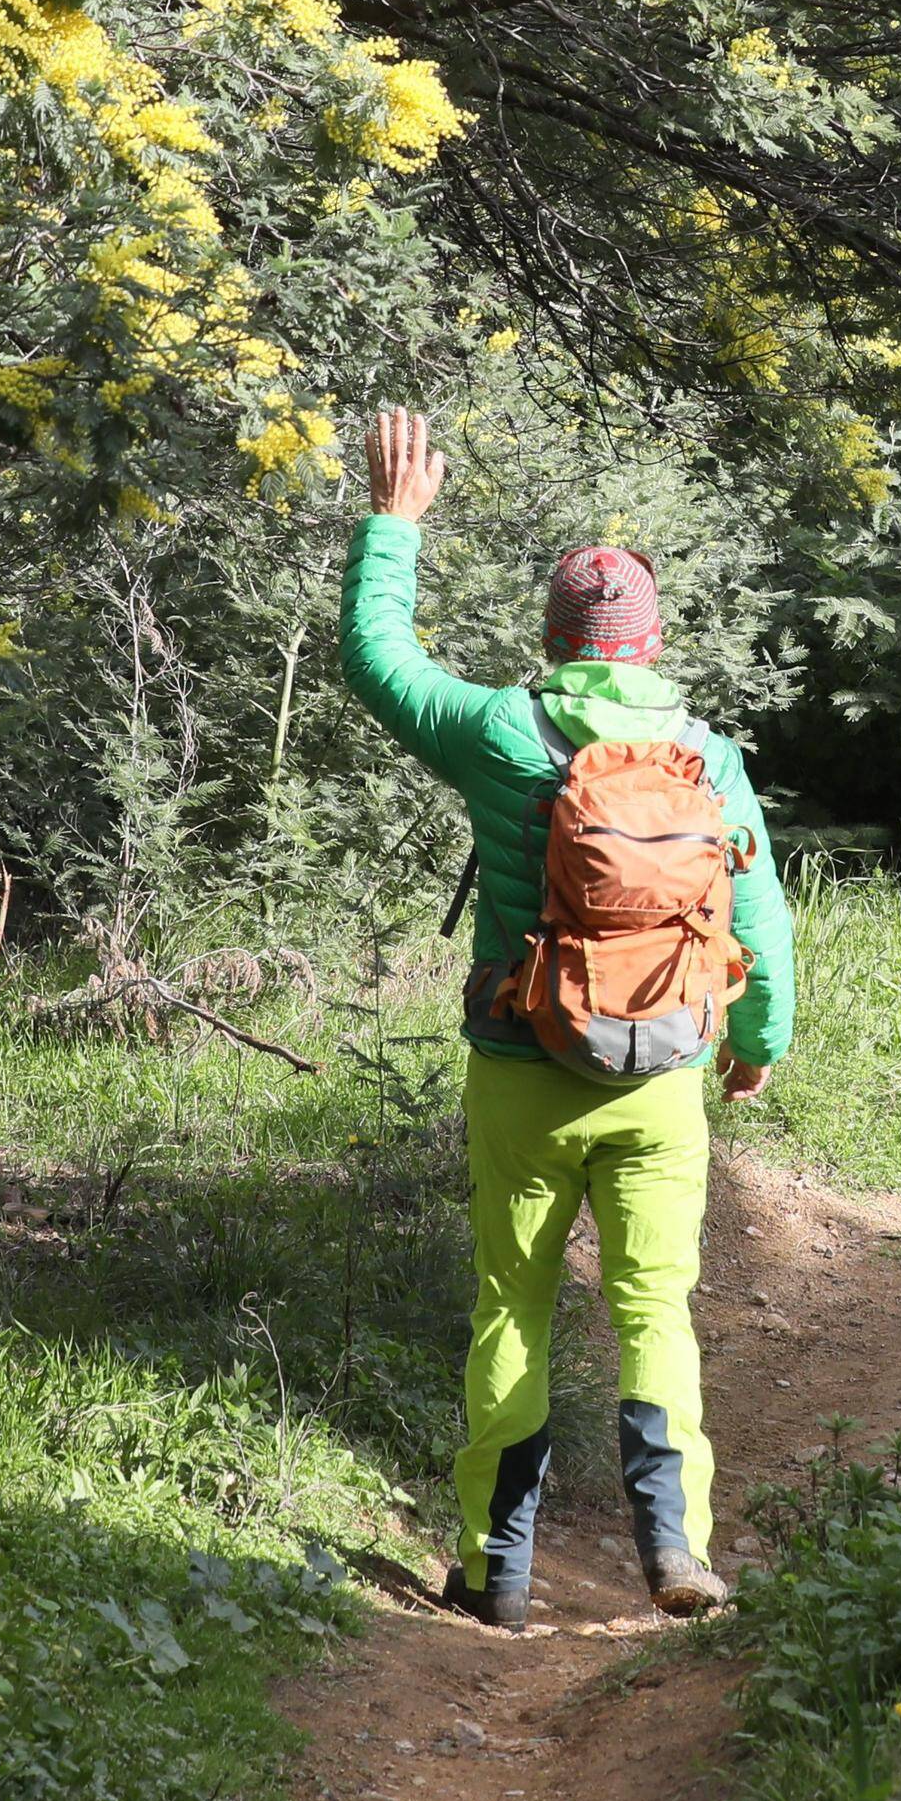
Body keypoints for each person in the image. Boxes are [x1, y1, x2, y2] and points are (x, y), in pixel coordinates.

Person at [339, 406, 796, 1628]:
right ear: (650, 645)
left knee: (512, 1306)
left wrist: (392, 526)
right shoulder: (707, 756)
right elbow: (762, 923)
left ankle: (496, 1571)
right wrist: (754, 1048)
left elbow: (379, 664)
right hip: (663, 1081)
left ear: (552, 639)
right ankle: (675, 1551)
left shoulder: (499, 731)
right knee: (654, 1306)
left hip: (522, 1063)